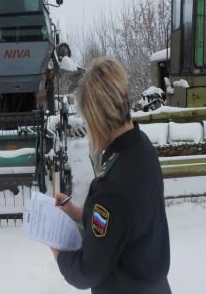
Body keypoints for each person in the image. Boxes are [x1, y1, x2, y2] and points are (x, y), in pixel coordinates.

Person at [51, 57, 171, 294]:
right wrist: (81, 212)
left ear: (98, 119)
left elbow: (87, 271)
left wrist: (57, 249)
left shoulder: (112, 188)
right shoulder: (140, 147)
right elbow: (125, 221)